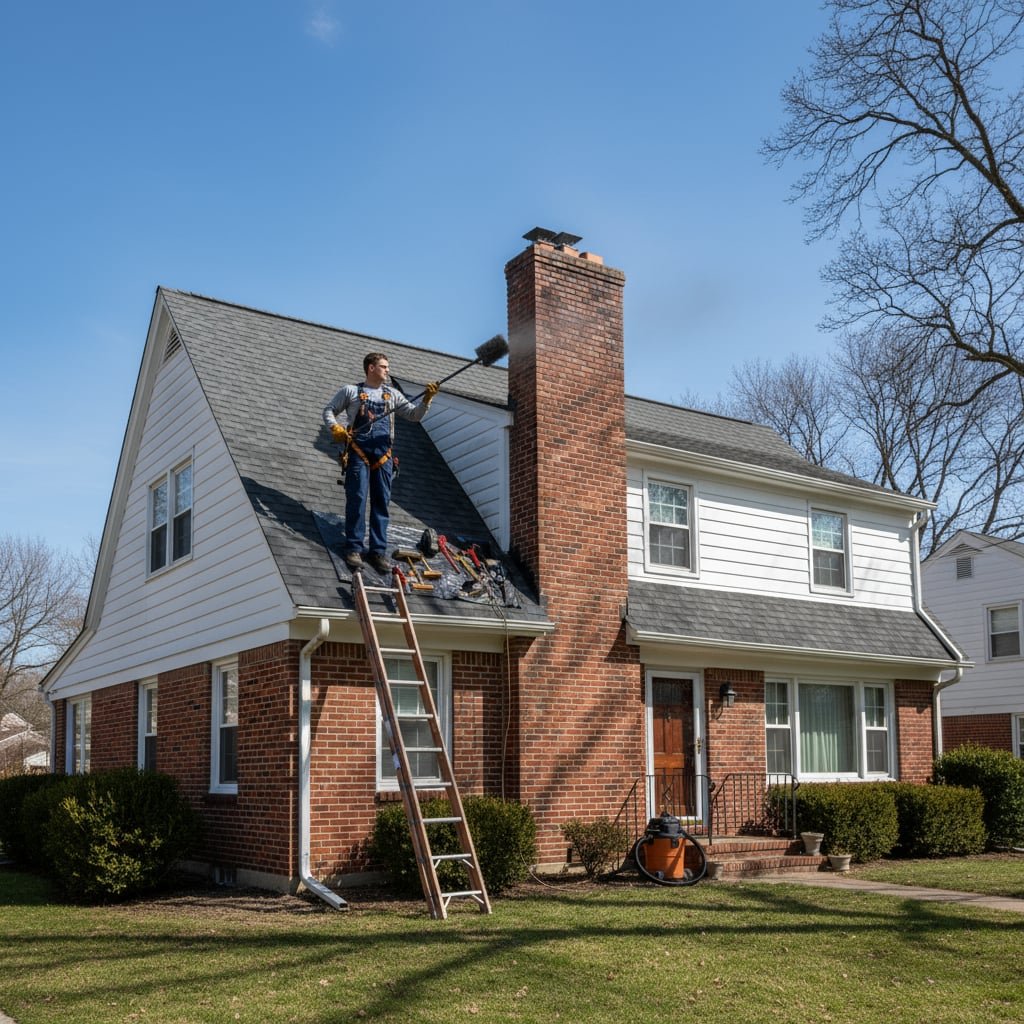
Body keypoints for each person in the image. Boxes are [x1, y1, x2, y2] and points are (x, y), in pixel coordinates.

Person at [323, 353, 439, 573]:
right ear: (371, 368)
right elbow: (329, 410)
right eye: (384, 367)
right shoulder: (351, 392)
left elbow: (414, 416)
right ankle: (354, 548)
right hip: (358, 452)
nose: (387, 370)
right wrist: (335, 427)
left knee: (381, 503)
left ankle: (377, 552)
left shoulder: (393, 395)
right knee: (357, 499)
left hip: (383, 456)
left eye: (387, 367)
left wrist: (427, 400)